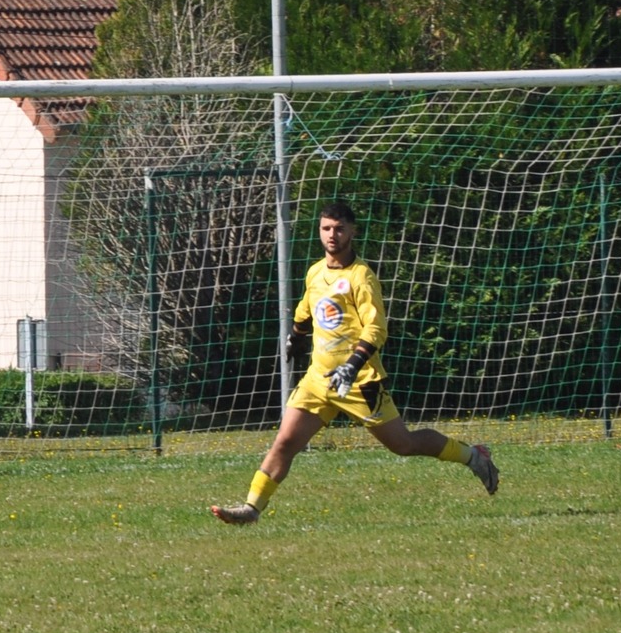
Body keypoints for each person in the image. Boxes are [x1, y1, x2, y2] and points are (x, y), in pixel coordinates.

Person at [212, 200, 498, 525]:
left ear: (352, 231)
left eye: (339, 229)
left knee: (402, 444)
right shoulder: (315, 272)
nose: (332, 235)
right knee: (285, 441)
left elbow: (376, 327)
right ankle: (251, 509)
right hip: (319, 380)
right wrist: (295, 336)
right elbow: (306, 311)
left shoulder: (361, 276)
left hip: (361, 381)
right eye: (326, 229)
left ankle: (473, 456)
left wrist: (352, 364)